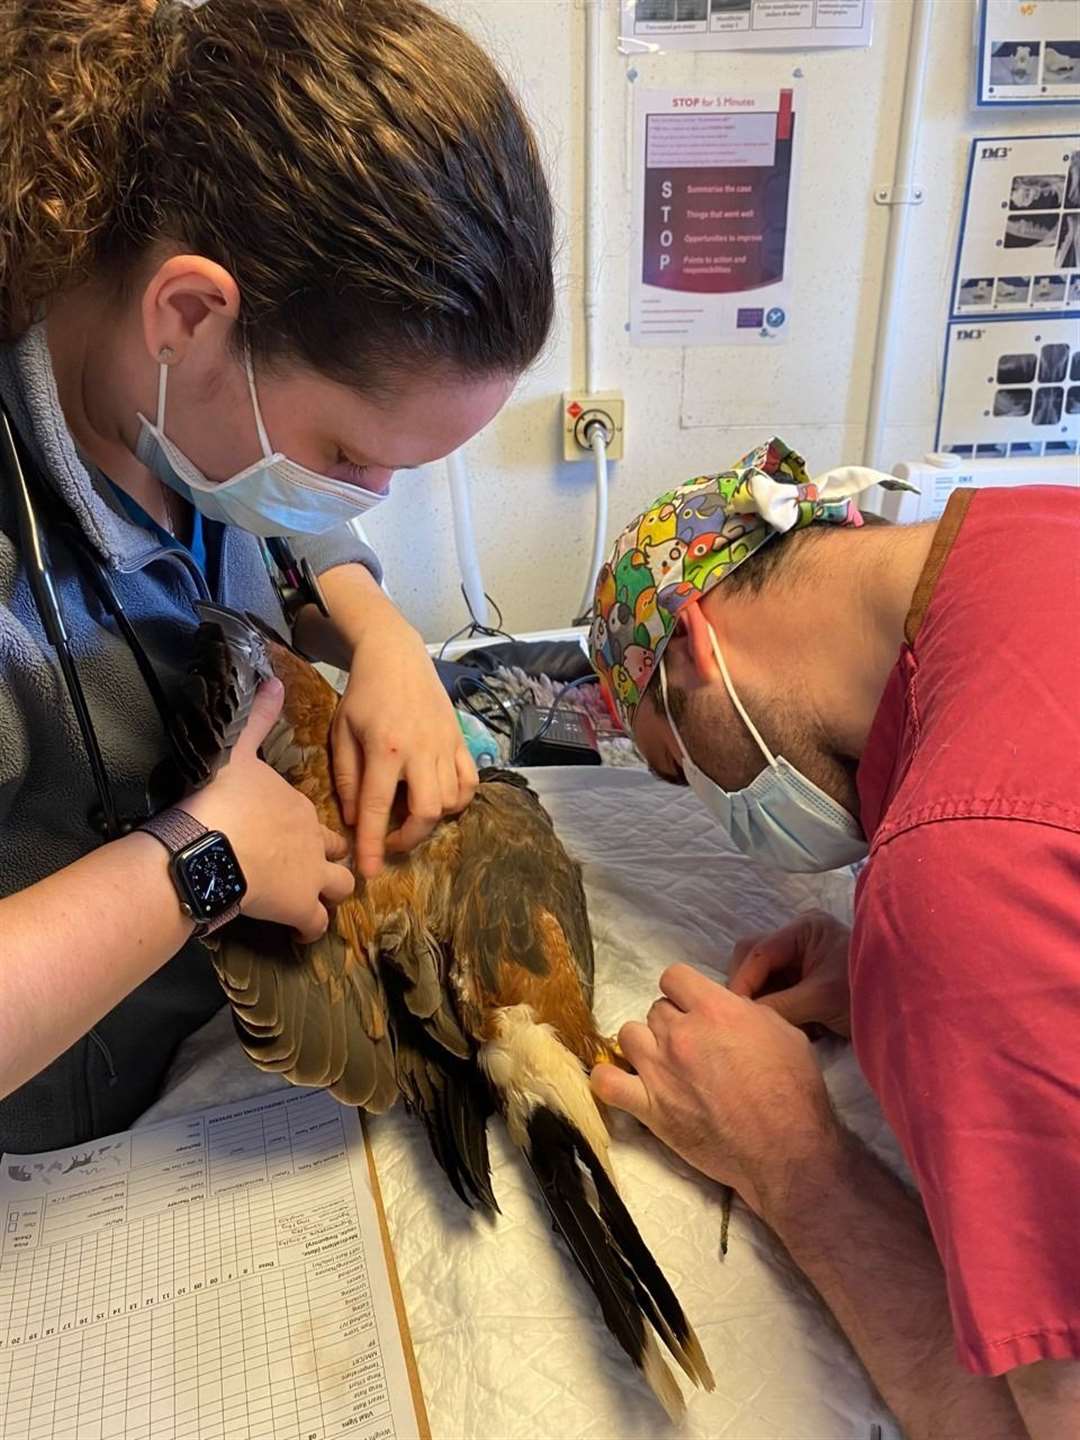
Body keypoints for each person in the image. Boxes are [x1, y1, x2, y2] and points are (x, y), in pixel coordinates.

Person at [0, 0, 553, 1152]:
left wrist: (376, 627)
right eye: (351, 457)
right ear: (191, 316)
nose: (364, 496)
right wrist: (200, 865)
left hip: (228, 1080)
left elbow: (275, 516)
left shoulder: (172, 406)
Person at [588, 437, 1080, 1440]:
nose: (713, 804)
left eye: (681, 768)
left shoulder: (966, 873)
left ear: (693, 648)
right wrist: (917, 994)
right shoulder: (1030, 523)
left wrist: (792, 1160)